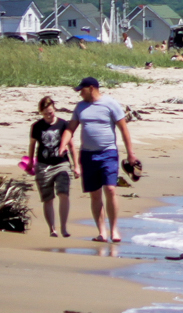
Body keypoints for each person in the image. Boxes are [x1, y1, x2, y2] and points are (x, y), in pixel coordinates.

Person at [59, 77, 137, 244]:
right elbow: (70, 129)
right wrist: (63, 145)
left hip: (108, 153)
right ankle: (102, 232)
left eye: (82, 89)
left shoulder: (110, 104)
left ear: (92, 88)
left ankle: (114, 229)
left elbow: (123, 129)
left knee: (110, 189)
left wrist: (131, 154)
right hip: (87, 155)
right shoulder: (80, 107)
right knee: (95, 194)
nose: (80, 93)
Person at [28, 96, 80, 237]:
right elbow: (32, 145)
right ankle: (52, 229)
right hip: (43, 165)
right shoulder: (37, 127)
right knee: (48, 198)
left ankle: (63, 227)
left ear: (54, 109)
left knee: (63, 193)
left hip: (61, 163)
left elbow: (72, 146)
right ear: (41, 113)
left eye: (51, 112)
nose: (49, 115)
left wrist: (76, 166)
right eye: (45, 113)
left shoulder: (63, 125)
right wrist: (30, 163)